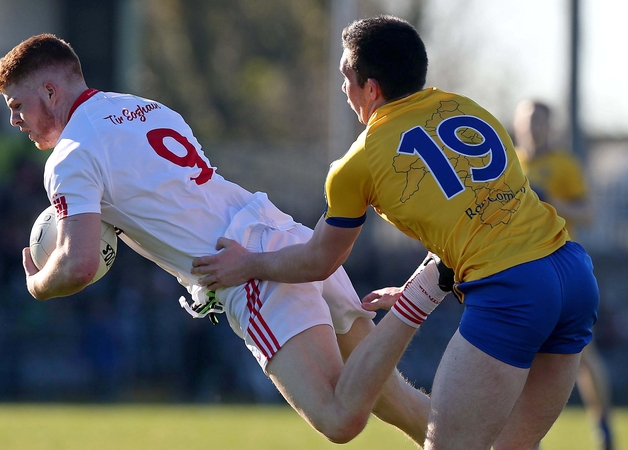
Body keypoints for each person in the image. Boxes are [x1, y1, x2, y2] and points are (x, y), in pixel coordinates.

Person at [0, 33, 434, 446]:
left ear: (51, 92)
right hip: (287, 235)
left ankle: (420, 296)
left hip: (247, 269)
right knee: (393, 398)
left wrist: (37, 282)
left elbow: (78, 263)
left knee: (340, 419)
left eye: (17, 105)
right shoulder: (148, 108)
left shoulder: (70, 155)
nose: (15, 120)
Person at [192, 15, 601, 450]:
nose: (344, 90)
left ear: (371, 88)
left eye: (347, 78)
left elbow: (318, 261)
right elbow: (483, 218)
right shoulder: (468, 107)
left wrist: (248, 263)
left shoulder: (359, 162)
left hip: (515, 291)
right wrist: (420, 284)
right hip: (574, 276)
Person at [514, 100, 616, 450]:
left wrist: (552, 200)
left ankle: (603, 424)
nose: (532, 127)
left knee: (582, 355)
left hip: (561, 269)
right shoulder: (509, 162)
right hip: (519, 271)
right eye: (527, 121)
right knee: (518, 355)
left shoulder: (563, 164)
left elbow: (588, 213)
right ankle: (526, 437)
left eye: (539, 121)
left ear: (549, 125)